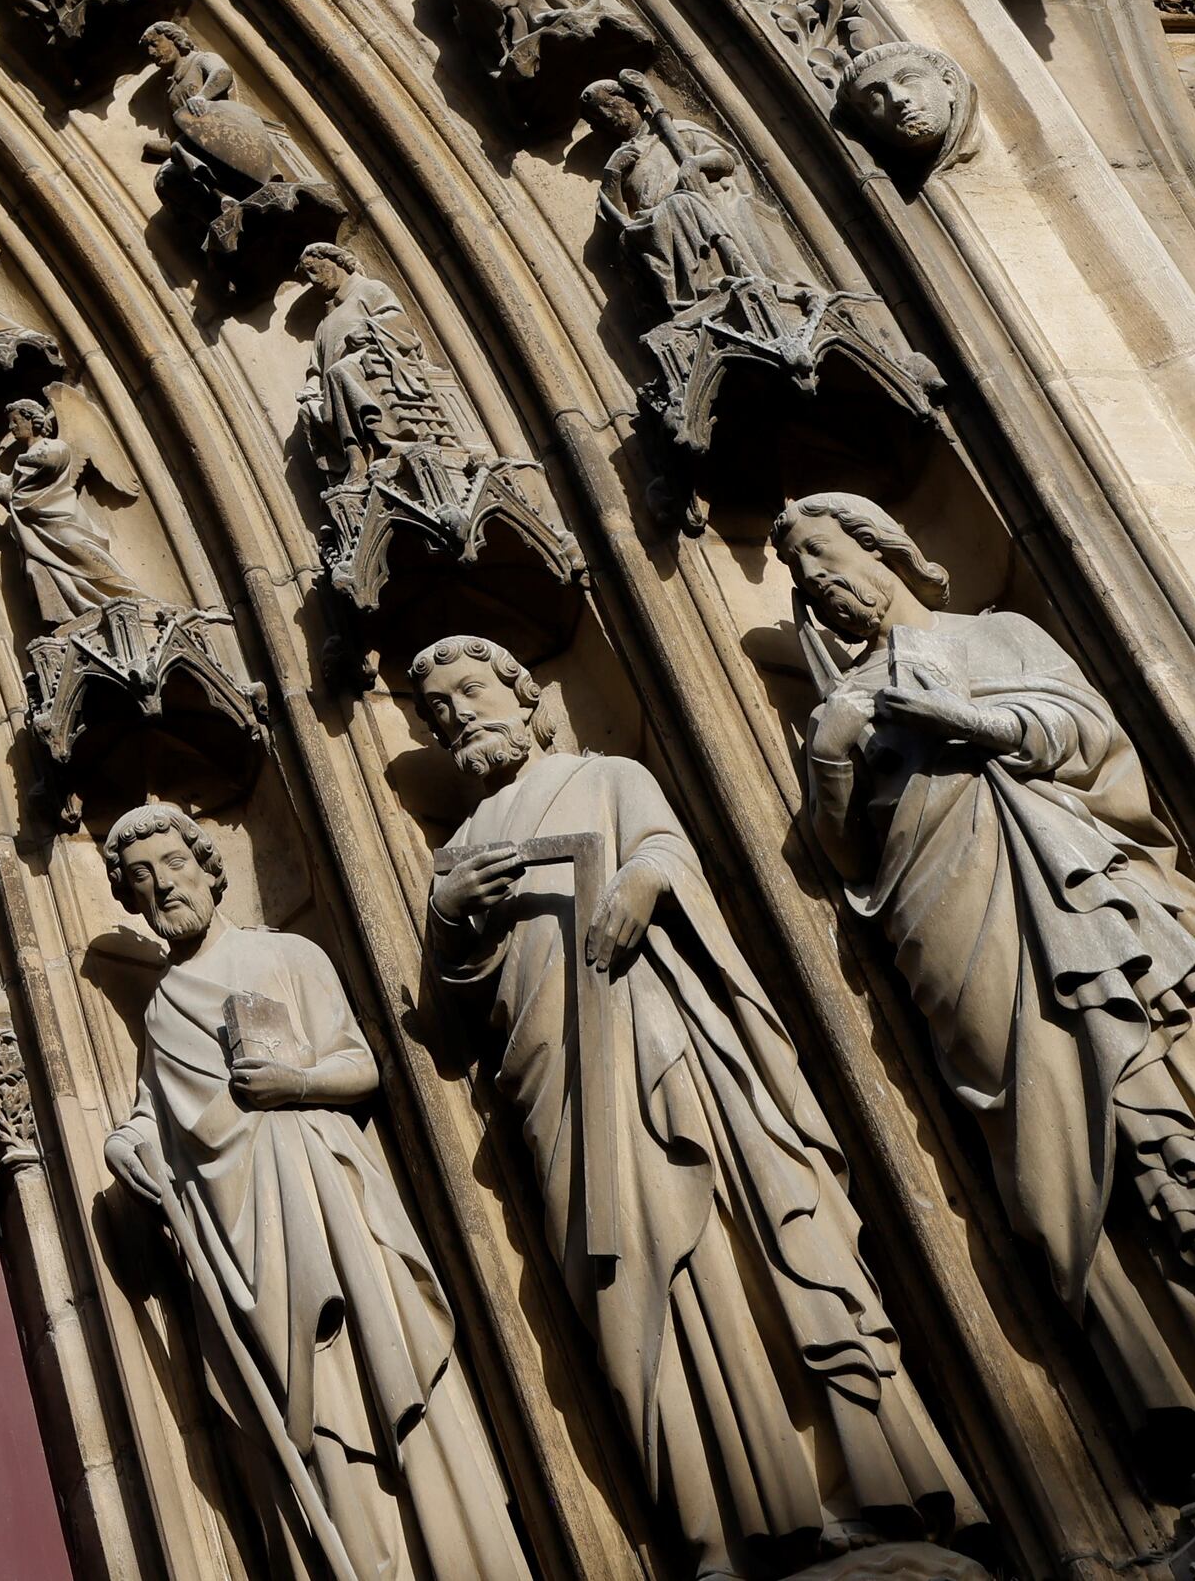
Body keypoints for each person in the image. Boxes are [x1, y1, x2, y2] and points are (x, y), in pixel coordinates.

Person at [772, 494, 1195, 1424]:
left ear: (885, 548)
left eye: (828, 555)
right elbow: (845, 859)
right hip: (961, 925)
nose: (820, 583)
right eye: (804, 578)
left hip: (1098, 896)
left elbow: (1092, 735)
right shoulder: (841, 707)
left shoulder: (994, 634)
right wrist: (835, 758)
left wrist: (977, 722)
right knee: (1073, 1135)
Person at [407, 636, 959, 1574]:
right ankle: (731, 1524)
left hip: (666, 1044)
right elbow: (457, 1018)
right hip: (561, 1088)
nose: (458, 716)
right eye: (438, 713)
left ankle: (860, 1485)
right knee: (636, 1285)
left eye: (468, 691)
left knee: (744, 1243)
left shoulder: (607, 774)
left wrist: (647, 877)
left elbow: (668, 849)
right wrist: (452, 916)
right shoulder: (460, 849)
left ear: (524, 688)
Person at [100, 804, 530, 1581]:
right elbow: (154, 1115)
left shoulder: (286, 956)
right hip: (247, 1246)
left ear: (206, 864)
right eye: (141, 878)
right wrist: (126, 1142)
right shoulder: (161, 1011)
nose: (163, 885)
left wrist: (294, 1082)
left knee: (383, 1372)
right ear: (131, 899)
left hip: (329, 1207)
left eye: (172, 863)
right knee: (316, 1421)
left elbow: (359, 1063)